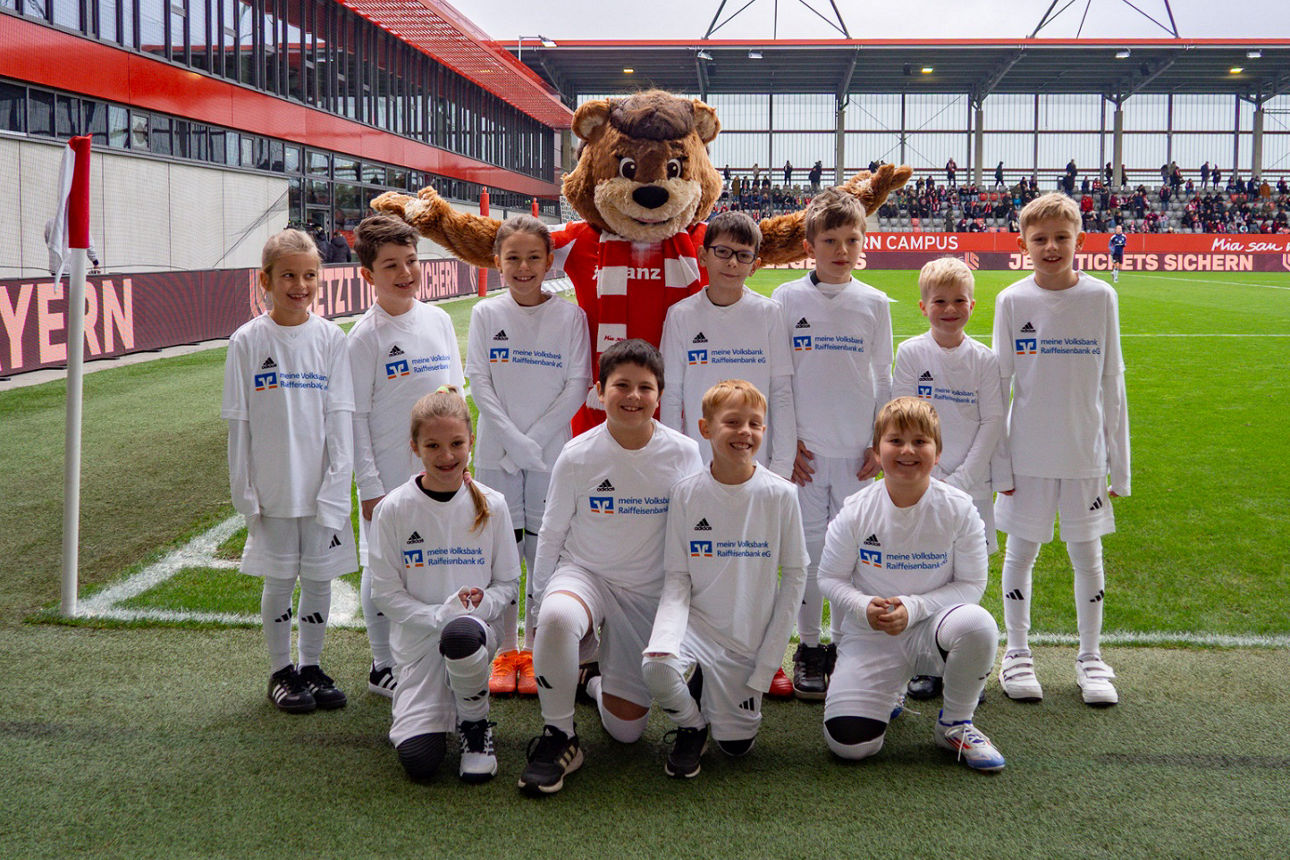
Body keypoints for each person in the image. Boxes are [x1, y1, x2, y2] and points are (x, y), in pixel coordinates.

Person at [518, 339, 703, 795]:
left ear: (660, 395)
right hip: (586, 575)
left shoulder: (683, 453)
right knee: (559, 618)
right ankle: (560, 735)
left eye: (645, 387)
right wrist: (539, 608)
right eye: (621, 385)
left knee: (626, 732)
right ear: (600, 392)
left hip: (647, 592)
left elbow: (696, 534)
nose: (633, 396)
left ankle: (592, 679)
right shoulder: (578, 454)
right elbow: (552, 533)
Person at [994, 192, 1130, 707]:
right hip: (1026, 455)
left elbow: (1111, 380)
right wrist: (1000, 462)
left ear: (1079, 240)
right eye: (1040, 239)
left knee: (1087, 555)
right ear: (1024, 243)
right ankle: (1018, 653)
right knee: (1020, 551)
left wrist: (1120, 464)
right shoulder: (1012, 300)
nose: (1051, 247)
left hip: (1083, 454)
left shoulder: (1100, 298)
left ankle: (1091, 657)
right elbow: (999, 385)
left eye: (1061, 237)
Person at [819, 397, 1004, 772]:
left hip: (934, 629)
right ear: (876, 451)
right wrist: (862, 608)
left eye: (920, 442)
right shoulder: (856, 508)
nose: (907, 450)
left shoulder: (959, 507)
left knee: (978, 623)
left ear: (937, 454)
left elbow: (972, 584)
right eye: (895, 441)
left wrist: (914, 607)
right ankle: (890, 691)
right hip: (872, 634)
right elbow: (830, 578)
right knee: (850, 746)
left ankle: (955, 724)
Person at [642, 379, 808, 777]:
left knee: (736, 748)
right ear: (705, 429)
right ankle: (691, 725)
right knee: (656, 668)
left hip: (747, 640)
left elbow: (796, 576)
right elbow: (678, 577)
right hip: (697, 627)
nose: (745, 432)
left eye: (755, 423)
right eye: (732, 422)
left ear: (764, 431)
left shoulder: (781, 495)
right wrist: (664, 637)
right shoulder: (685, 493)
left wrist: (769, 662)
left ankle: (710, 687)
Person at [221, 228, 355, 714]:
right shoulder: (246, 342)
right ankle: (280, 671)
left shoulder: (331, 339)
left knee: (320, 581)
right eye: (289, 276)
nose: (300, 285)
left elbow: (340, 417)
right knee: (278, 581)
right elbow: (238, 423)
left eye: (309, 276)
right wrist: (245, 489)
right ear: (266, 280)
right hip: (275, 488)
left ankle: (311, 665)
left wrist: (339, 483)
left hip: (321, 488)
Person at [771, 187, 893, 701]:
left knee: (851, 557)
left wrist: (878, 440)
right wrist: (787, 442)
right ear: (809, 245)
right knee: (807, 555)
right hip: (806, 456)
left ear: (863, 242)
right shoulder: (786, 299)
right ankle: (810, 646)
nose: (841, 250)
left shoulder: (873, 302)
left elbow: (883, 376)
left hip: (856, 454)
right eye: (830, 240)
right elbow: (778, 379)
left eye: (851, 239)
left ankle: (845, 645)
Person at [466, 215, 591, 698]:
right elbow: (479, 381)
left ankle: (539, 649)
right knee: (499, 556)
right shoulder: (486, 314)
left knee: (544, 554)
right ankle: (503, 653)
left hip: (548, 458)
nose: (523, 267)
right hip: (498, 455)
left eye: (533, 257)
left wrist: (533, 442)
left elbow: (576, 384)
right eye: (513, 257)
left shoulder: (569, 317)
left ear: (548, 261)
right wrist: (513, 443)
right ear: (498, 262)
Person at [369, 387, 521, 784]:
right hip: (419, 649)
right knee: (420, 762)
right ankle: (443, 705)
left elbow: (507, 583)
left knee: (459, 633)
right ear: (414, 447)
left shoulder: (494, 504)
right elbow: (384, 594)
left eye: (456, 443)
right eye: (433, 445)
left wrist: (480, 605)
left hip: (473, 637)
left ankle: (475, 725)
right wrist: (437, 615)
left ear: (471, 441)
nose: (447, 456)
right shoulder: (393, 509)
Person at [348, 214, 465, 699]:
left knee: (435, 559)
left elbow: (455, 399)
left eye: (411, 261)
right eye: (391, 265)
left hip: (439, 475)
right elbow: (353, 418)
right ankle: (381, 665)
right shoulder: (363, 338)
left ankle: (431, 649)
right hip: (389, 479)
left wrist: (460, 461)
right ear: (369, 276)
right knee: (383, 571)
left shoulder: (438, 321)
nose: (406, 273)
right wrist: (370, 486)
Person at [893, 257, 1008, 702]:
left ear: (972, 305)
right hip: (919, 482)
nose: (949, 309)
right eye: (939, 301)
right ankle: (921, 661)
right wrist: (927, 474)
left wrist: (961, 479)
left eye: (959, 301)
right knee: (920, 570)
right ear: (923, 307)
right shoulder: (911, 352)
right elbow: (901, 413)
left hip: (970, 487)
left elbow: (991, 421)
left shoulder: (984, 359)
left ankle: (958, 665)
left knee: (963, 574)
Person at [660, 211, 795, 480]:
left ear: (754, 266)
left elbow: (781, 394)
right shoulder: (681, 315)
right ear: (702, 256)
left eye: (743, 255)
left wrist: (781, 467)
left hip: (759, 464)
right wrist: (678, 462)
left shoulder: (769, 313)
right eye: (722, 251)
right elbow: (672, 396)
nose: (732, 263)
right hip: (698, 465)